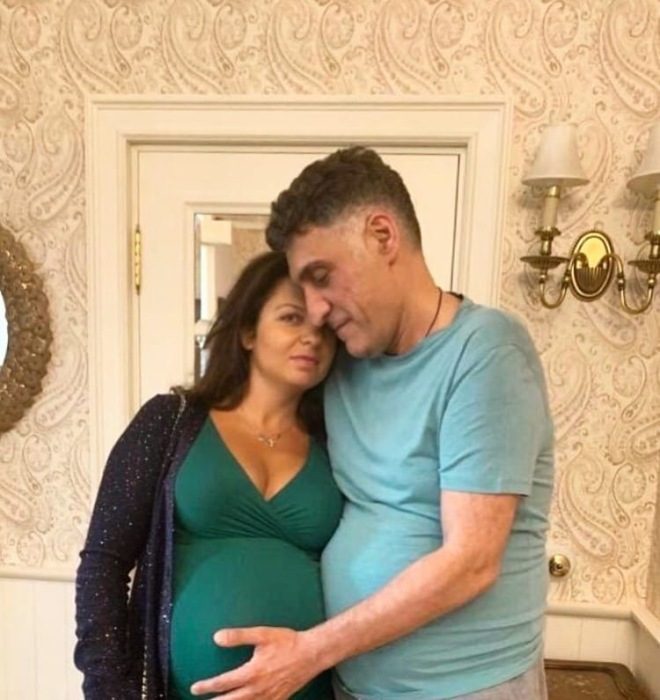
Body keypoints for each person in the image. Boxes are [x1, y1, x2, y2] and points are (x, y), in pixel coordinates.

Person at [190, 147, 555, 700]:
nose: (316, 311)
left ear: (383, 236)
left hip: (465, 687)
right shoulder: (347, 362)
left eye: (322, 277)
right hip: (354, 684)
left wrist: (309, 652)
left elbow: (471, 563)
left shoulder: (486, 353)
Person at [74, 251, 342, 700]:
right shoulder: (171, 422)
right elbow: (104, 563)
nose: (312, 337)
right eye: (291, 318)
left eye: (324, 327)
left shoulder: (338, 444)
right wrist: (109, 690)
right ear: (248, 331)